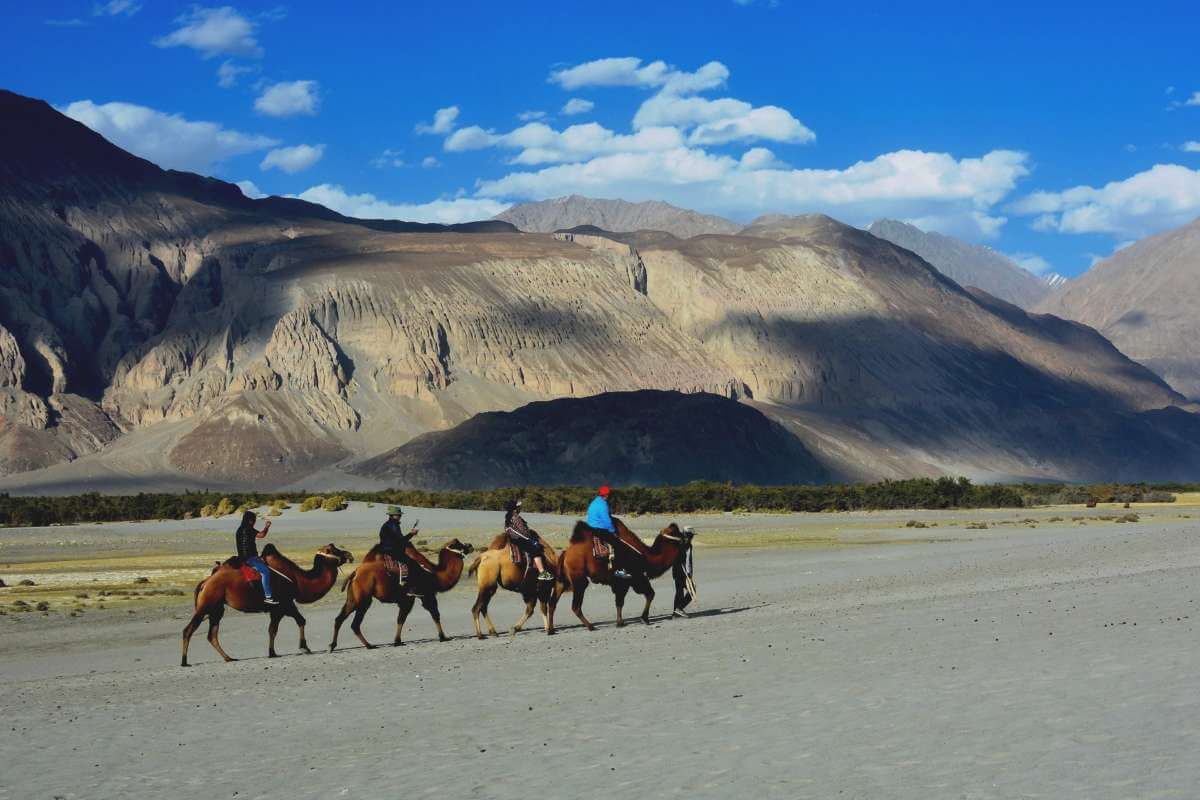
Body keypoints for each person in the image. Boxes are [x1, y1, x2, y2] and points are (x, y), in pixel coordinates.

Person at [586, 485, 631, 580]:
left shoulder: (594, 502)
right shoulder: (603, 505)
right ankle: (619, 570)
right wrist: (612, 531)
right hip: (599, 529)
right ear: (606, 495)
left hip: (590, 528)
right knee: (619, 545)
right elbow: (607, 520)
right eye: (609, 495)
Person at [504, 499, 553, 581]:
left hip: (513, 539)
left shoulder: (508, 517)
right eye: (519, 507)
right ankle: (542, 572)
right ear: (515, 509)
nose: (520, 508)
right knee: (536, 550)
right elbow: (524, 532)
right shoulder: (516, 518)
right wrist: (531, 540)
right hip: (519, 539)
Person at [235, 510, 277, 605]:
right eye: (253, 520)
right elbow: (262, 535)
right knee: (266, 572)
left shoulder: (239, 529)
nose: (254, 522)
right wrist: (267, 526)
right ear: (250, 521)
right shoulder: (248, 529)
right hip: (250, 559)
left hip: (241, 557)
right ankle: (268, 597)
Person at [378, 505, 423, 589]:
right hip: (391, 550)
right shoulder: (393, 525)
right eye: (398, 515)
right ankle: (408, 587)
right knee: (411, 563)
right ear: (392, 515)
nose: (399, 516)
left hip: (386, 548)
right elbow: (401, 541)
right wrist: (411, 534)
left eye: (400, 515)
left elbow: (399, 539)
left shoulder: (390, 524)